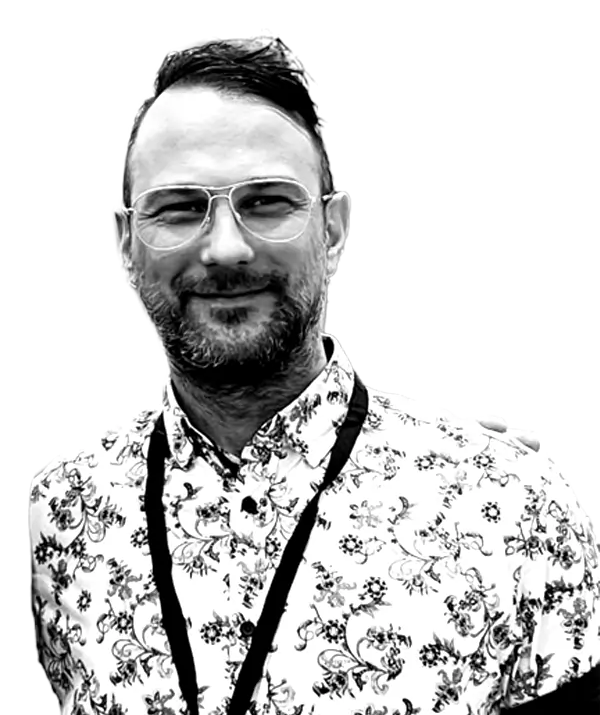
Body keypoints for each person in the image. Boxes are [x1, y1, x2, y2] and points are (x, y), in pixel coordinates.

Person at [30, 42, 599, 714]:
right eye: (178, 208)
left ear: (333, 227)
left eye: (267, 202)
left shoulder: (511, 508)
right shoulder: (51, 521)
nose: (226, 248)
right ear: (126, 243)